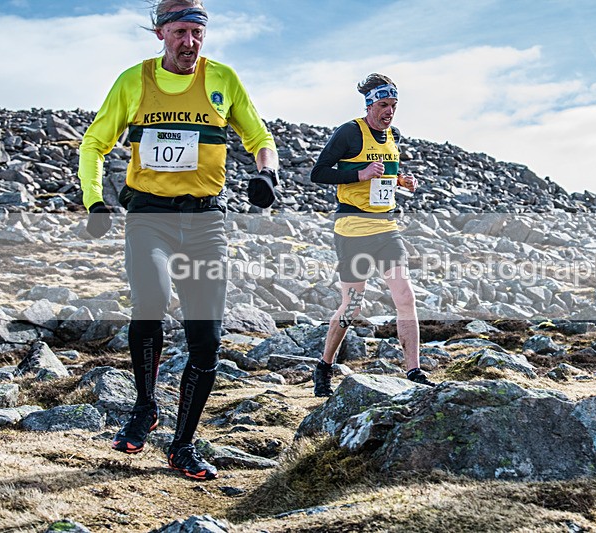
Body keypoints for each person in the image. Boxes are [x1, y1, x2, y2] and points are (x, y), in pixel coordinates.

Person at [78, 0, 279, 480]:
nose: (190, 43)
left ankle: (182, 446)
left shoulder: (223, 79)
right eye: (180, 33)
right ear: (160, 34)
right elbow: (94, 143)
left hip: (206, 221)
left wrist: (267, 175)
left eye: (197, 33)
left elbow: (260, 138)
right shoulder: (134, 81)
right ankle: (145, 406)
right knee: (151, 301)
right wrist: (94, 201)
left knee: (206, 339)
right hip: (149, 216)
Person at [309, 73, 436, 397]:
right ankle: (324, 366)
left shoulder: (393, 136)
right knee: (353, 306)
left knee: (405, 297)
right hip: (352, 230)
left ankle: (413, 371)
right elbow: (318, 173)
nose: (389, 111)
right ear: (369, 105)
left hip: (387, 228)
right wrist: (359, 174)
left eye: (393, 105)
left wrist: (402, 181)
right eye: (383, 105)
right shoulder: (349, 133)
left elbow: (385, 176)